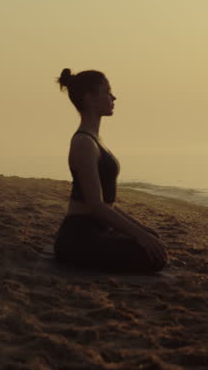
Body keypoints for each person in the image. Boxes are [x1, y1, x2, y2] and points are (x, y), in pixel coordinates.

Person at [52, 69, 168, 273]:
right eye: (107, 92)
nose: (113, 97)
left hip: (98, 230)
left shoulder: (95, 140)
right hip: (79, 237)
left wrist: (143, 230)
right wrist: (140, 236)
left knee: (153, 240)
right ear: (89, 99)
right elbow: (96, 205)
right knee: (151, 257)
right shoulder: (83, 143)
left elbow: (108, 204)